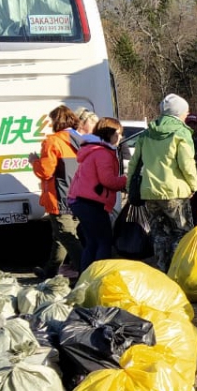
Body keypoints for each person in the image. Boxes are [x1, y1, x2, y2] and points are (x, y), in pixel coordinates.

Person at [127, 94, 197, 271]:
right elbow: (187, 164)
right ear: (180, 112)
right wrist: (194, 185)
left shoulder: (146, 133)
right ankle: (178, 270)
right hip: (175, 191)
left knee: (159, 233)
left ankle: (162, 269)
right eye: (186, 111)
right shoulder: (181, 133)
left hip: (149, 191)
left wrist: (130, 187)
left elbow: (134, 163)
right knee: (181, 232)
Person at [28, 104, 83, 278]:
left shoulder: (53, 141)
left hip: (59, 197)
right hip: (80, 195)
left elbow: (45, 171)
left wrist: (34, 161)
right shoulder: (80, 140)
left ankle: (86, 271)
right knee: (61, 236)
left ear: (56, 121)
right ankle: (50, 272)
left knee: (66, 236)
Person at [68, 117, 127, 271]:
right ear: (108, 133)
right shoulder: (103, 153)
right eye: (118, 134)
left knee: (92, 243)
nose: (120, 137)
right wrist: (127, 180)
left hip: (81, 201)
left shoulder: (93, 150)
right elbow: (108, 181)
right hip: (91, 203)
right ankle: (99, 277)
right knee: (104, 242)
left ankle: (86, 278)